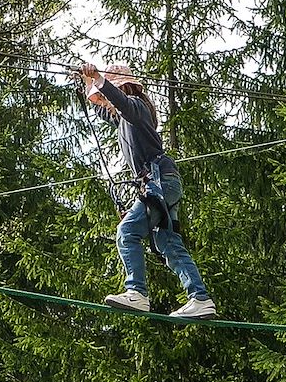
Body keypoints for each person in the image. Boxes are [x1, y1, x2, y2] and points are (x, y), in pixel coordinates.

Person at [80, 63, 216, 319]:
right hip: (163, 183)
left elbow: (118, 100)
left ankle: (136, 293)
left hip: (159, 182)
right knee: (168, 242)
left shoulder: (136, 107)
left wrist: (99, 78)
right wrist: (89, 82)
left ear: (122, 88)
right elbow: (102, 107)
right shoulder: (126, 117)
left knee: (127, 232)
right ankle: (200, 298)